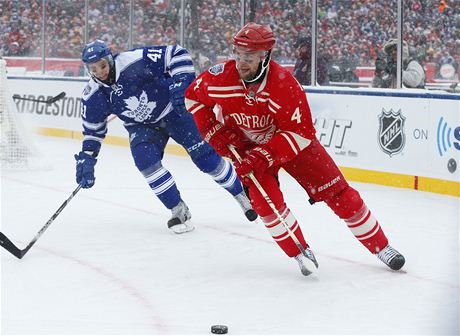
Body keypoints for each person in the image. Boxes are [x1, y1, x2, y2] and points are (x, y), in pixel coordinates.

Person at [185, 23, 405, 276]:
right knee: (264, 204)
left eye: (248, 57)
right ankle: (299, 251)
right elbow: (192, 97)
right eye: (237, 54)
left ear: (264, 56)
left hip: (292, 145)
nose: (240, 63)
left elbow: (301, 133)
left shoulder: (284, 86)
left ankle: (381, 246)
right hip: (247, 147)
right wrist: (213, 132)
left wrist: (266, 154)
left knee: (341, 194)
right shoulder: (219, 77)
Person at [75, 40, 257, 234]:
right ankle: (178, 209)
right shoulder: (93, 94)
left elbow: (177, 54)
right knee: (146, 164)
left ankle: (242, 194)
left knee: (206, 160)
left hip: (174, 112)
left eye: (102, 65)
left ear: (110, 59)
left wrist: (181, 84)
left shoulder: (134, 61)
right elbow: (93, 131)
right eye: (93, 69)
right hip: (142, 127)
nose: (100, 72)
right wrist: (87, 157)